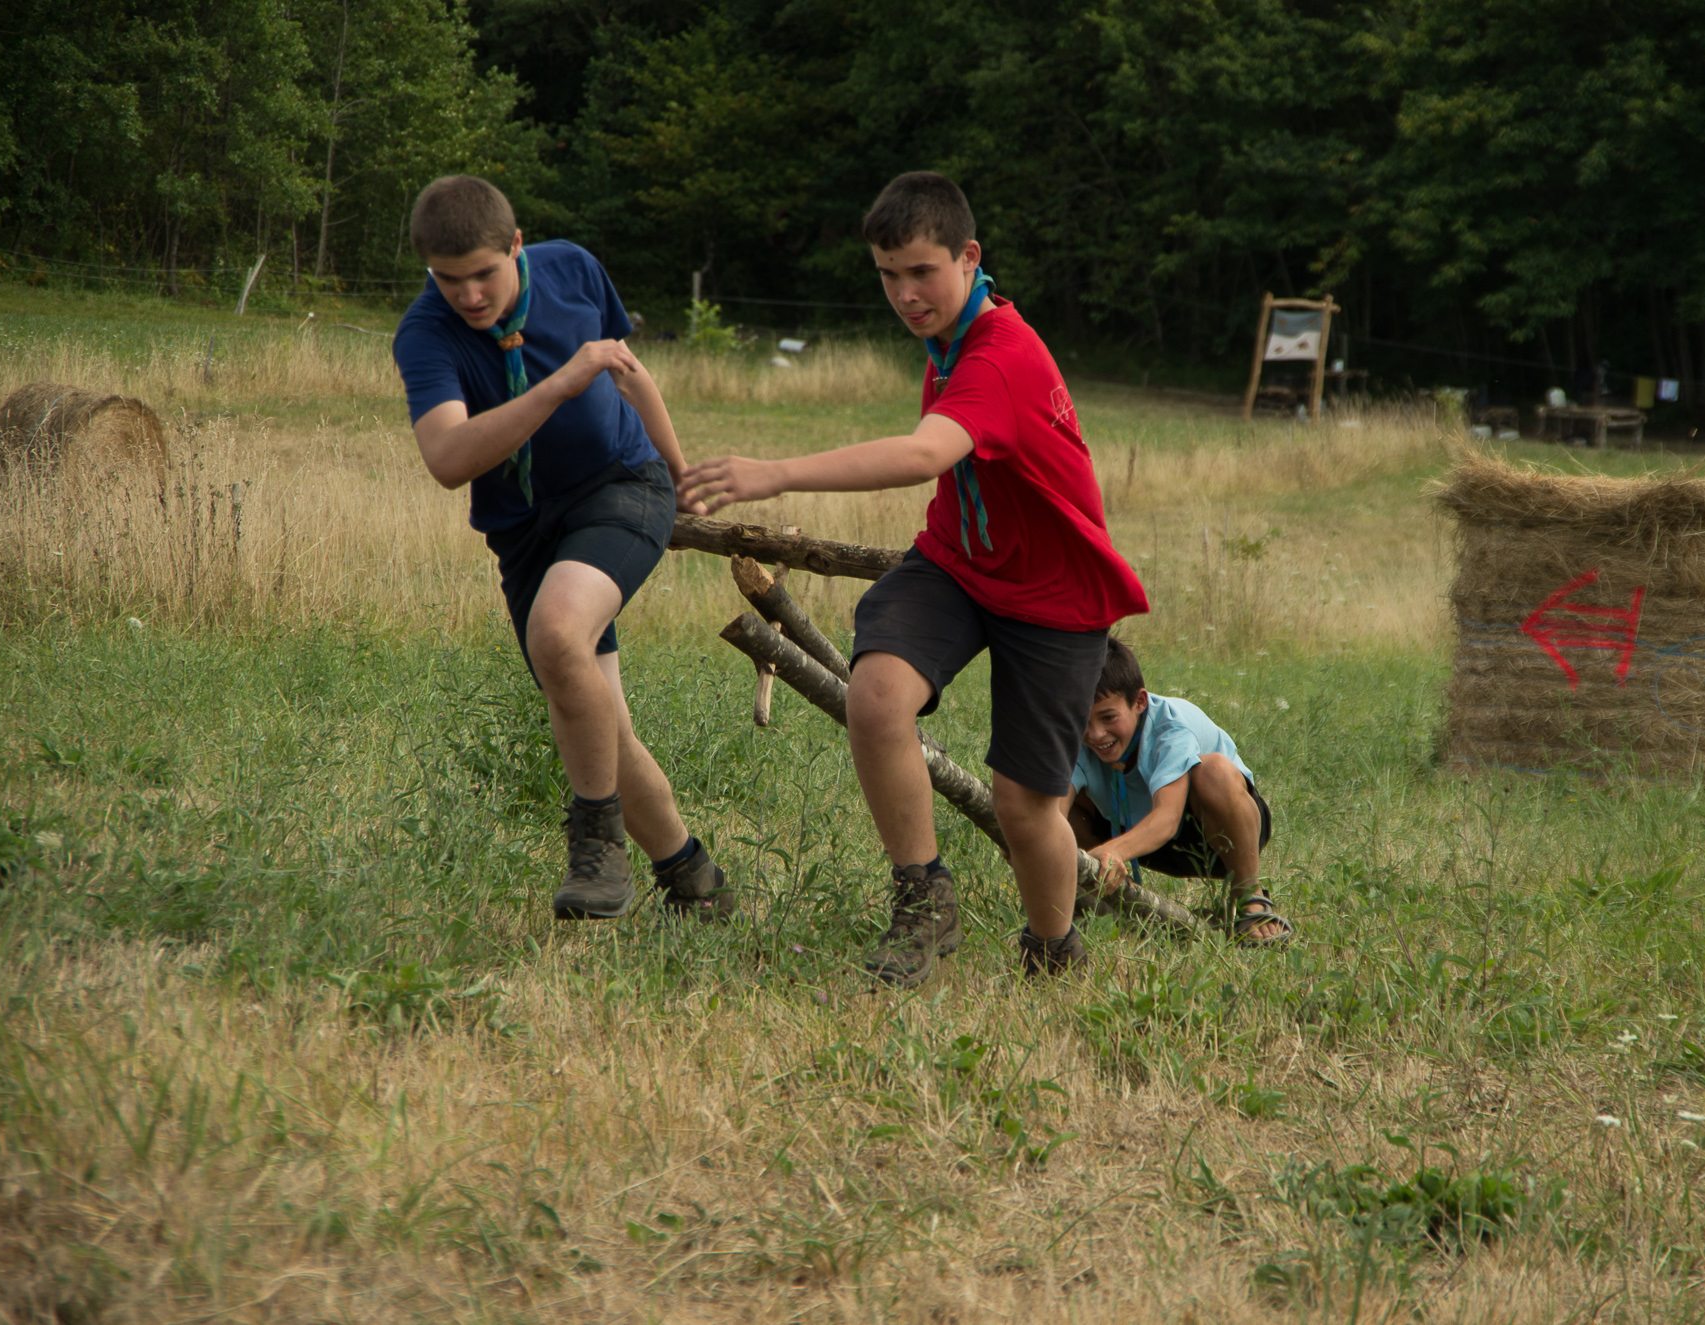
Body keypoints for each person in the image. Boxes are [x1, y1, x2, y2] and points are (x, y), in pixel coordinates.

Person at [681, 171, 1147, 984]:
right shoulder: (952, 340)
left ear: (969, 257)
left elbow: (926, 452)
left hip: (1055, 597)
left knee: (1024, 804)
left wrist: (776, 472)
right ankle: (924, 899)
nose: (905, 294)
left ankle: (1052, 949)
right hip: (958, 564)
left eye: (922, 271)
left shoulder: (1001, 354)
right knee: (875, 696)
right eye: (888, 275)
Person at [391, 175, 729, 923]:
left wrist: (681, 476)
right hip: (524, 531)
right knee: (600, 723)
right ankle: (694, 880)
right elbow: (447, 458)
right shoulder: (425, 334)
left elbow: (629, 375)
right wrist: (557, 386)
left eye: (484, 273)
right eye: (448, 279)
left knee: (556, 632)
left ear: (516, 245)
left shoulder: (572, 268)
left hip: (622, 484)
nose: (469, 295)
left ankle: (596, 848)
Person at [1064, 638, 1290, 943]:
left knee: (1213, 771)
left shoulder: (1170, 726)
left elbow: (1167, 818)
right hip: (1134, 834)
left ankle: (1250, 895)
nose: (1095, 734)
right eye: (1083, 718)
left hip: (1214, 834)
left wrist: (1115, 851)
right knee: (1043, 796)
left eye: (1108, 717)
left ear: (1139, 702)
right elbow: (1051, 811)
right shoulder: (1072, 733)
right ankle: (1102, 892)